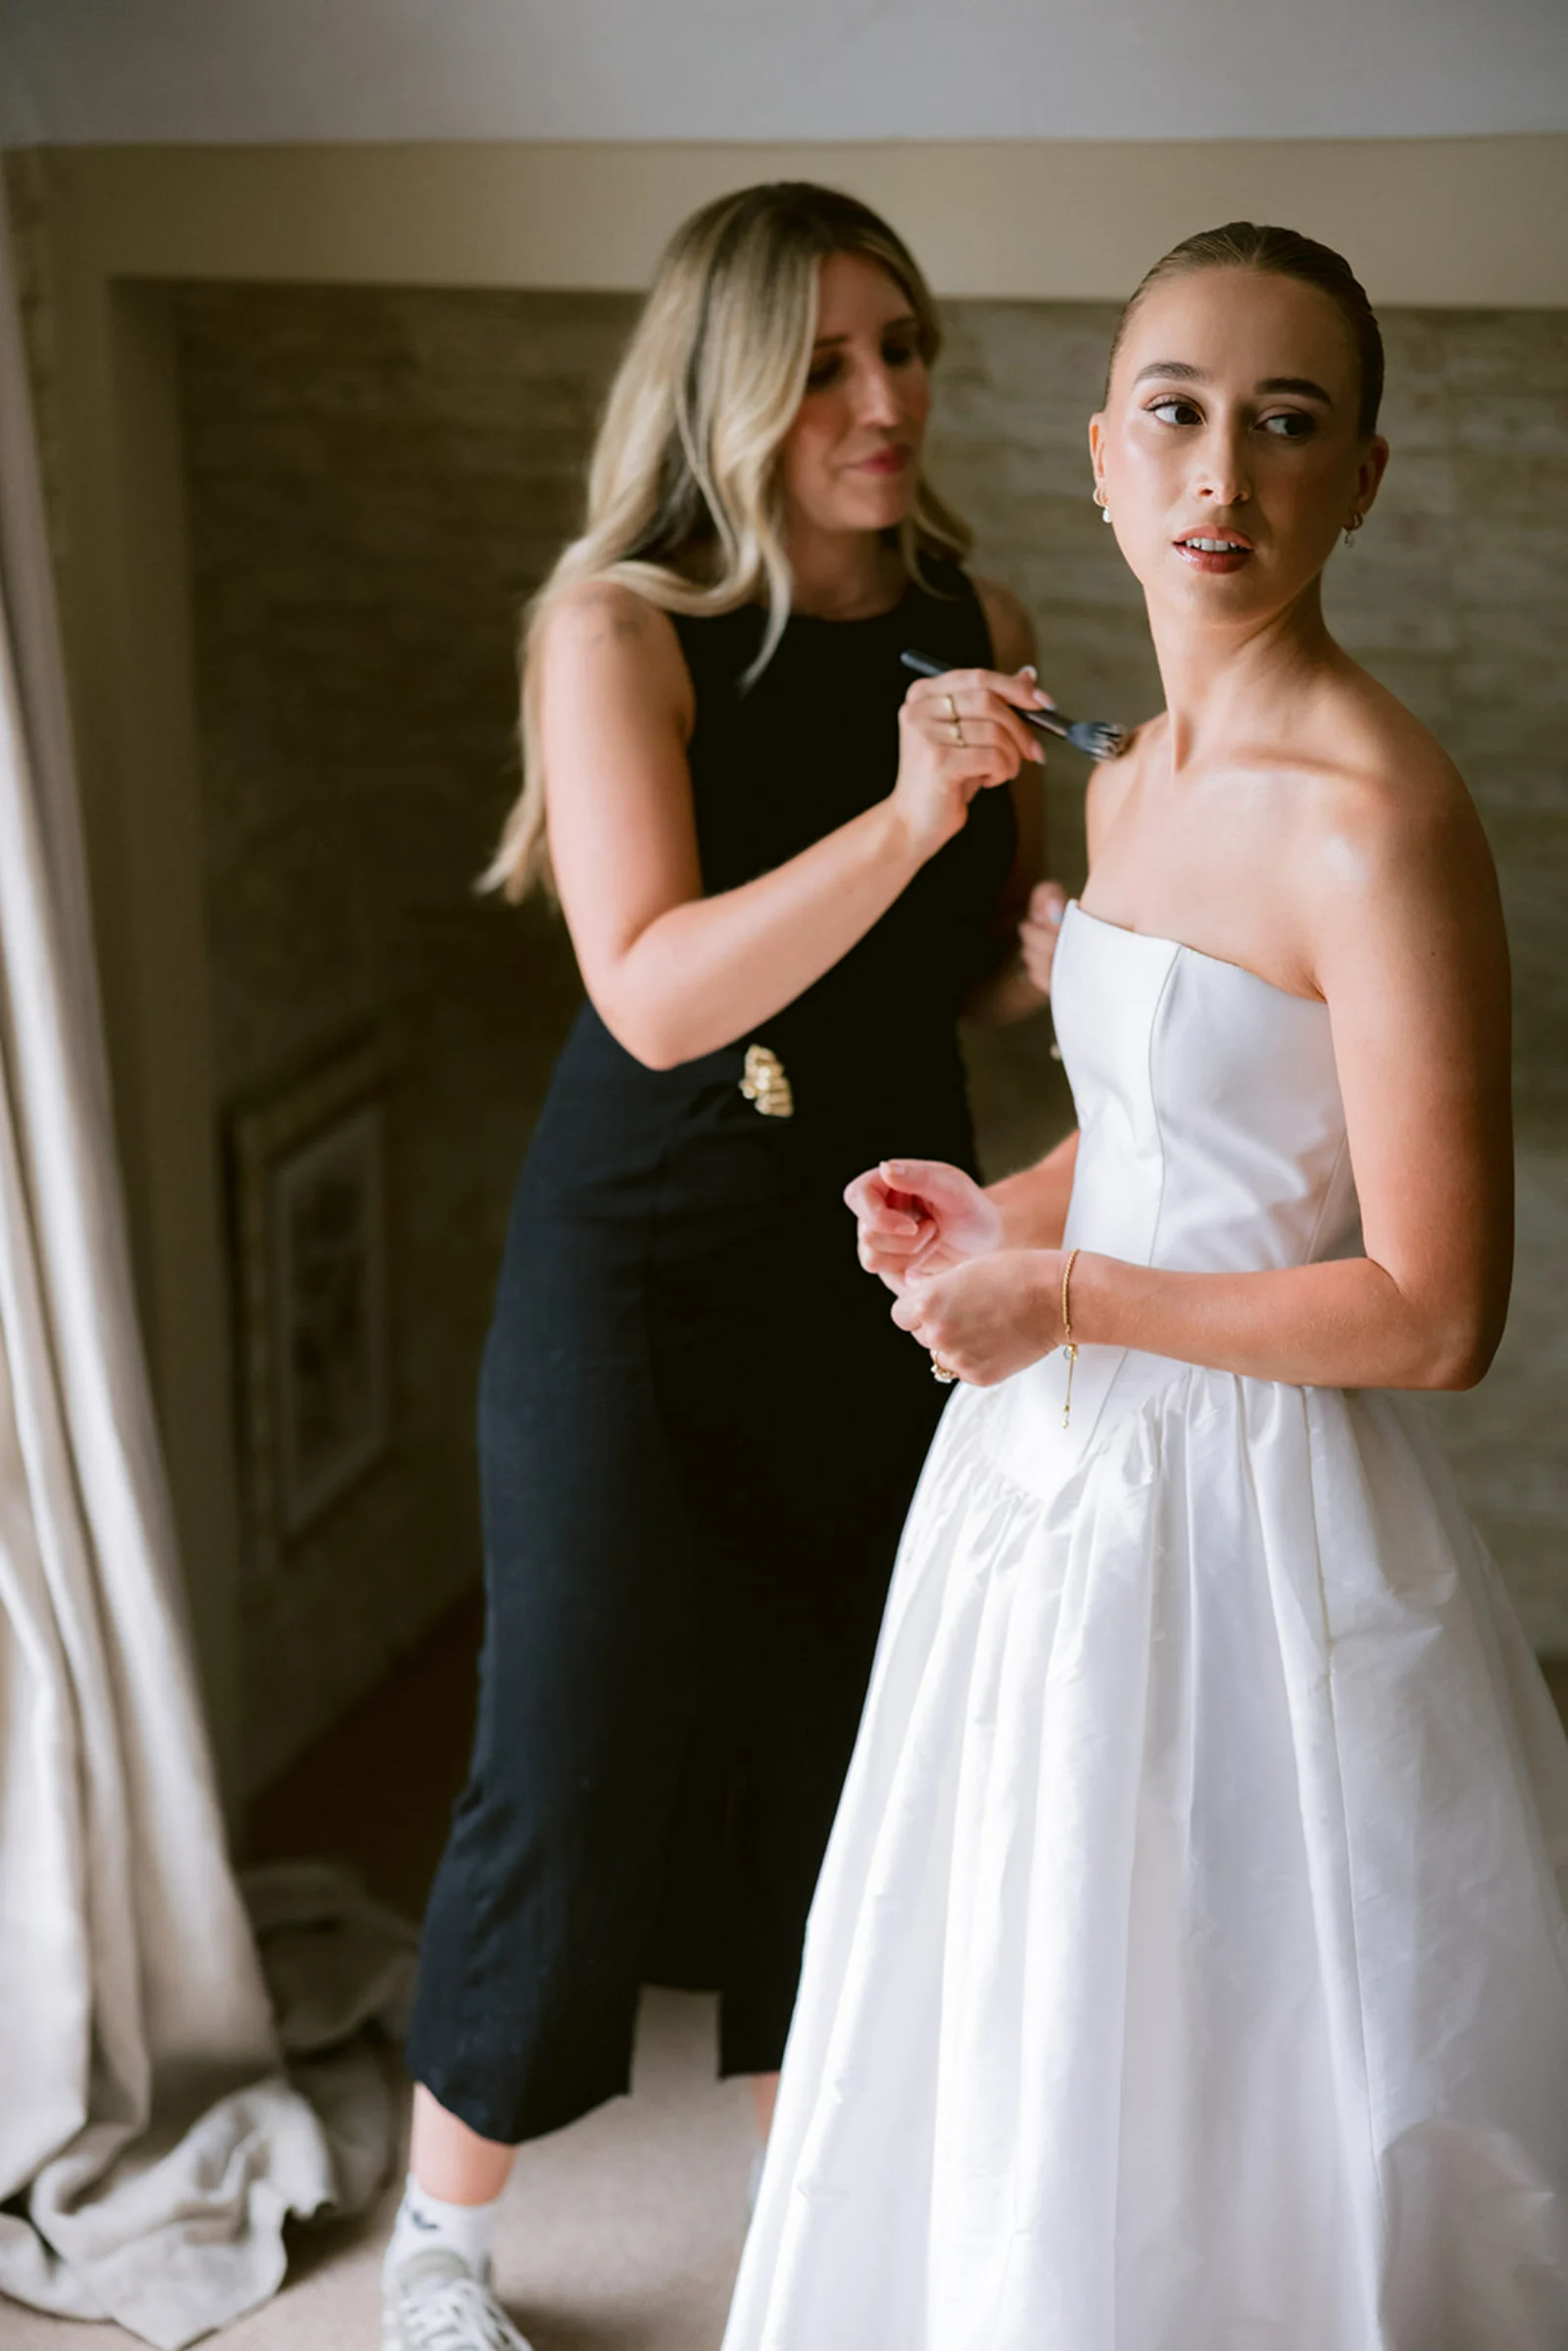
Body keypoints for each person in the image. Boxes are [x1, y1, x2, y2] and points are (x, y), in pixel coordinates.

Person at [724, 221, 1568, 2350]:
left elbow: (1429, 1304)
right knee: (1022, 2008)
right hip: (1046, 1506)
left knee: (1249, 2061)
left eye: (1286, 424)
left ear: (1357, 476)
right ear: (1103, 457)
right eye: (1176, 415)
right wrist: (1002, 1211)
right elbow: (1181, 1131)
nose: (1223, 473)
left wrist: (1074, 1301)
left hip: (1259, 1520)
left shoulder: (1373, 823)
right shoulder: (1136, 771)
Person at [381, 181, 1067, 2351]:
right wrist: (898, 816)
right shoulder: (613, 626)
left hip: (871, 1257)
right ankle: (434, 2256)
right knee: (569, 1747)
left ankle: (817, 2235)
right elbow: (661, 993)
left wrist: (1067, 951)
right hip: (640, 1264)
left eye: (904, 345)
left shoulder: (971, 605)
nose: (886, 398)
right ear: (727, 386)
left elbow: (945, 985)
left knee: (834, 1743)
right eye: (827, 363)